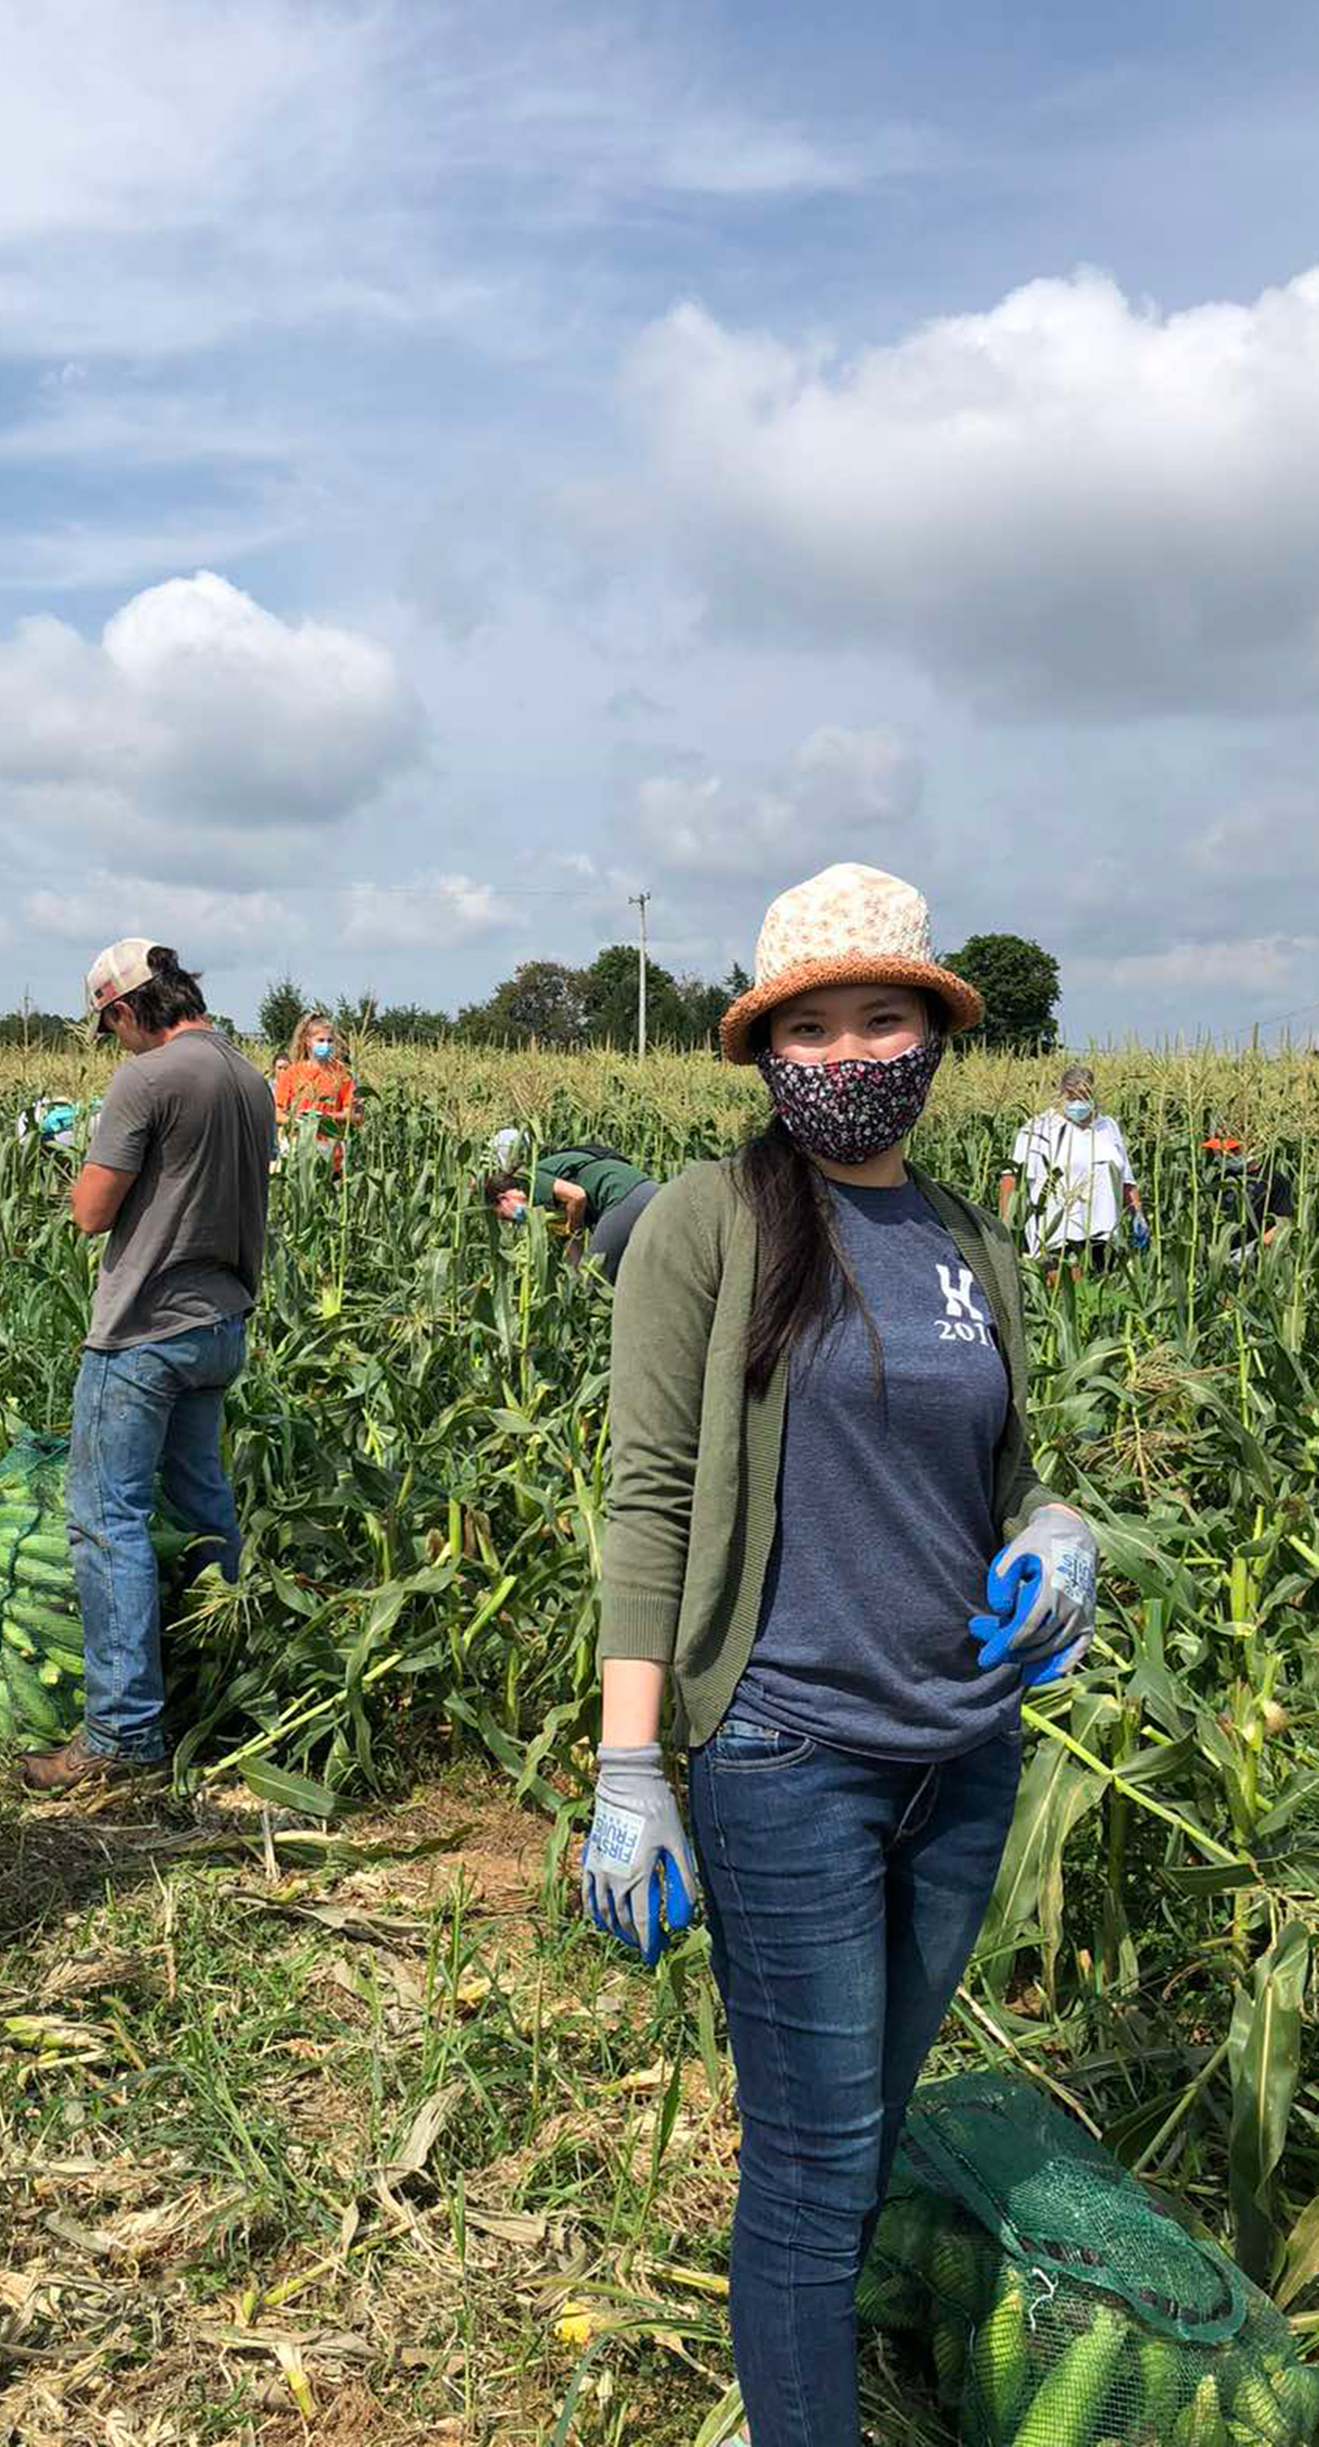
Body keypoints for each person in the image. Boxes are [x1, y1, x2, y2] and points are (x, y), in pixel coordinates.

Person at [584, 863, 1099, 2447]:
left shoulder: (963, 1239)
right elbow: (652, 1495)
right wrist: (629, 1768)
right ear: (764, 1054)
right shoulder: (705, 1224)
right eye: (810, 1028)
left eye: (881, 1018)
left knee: (863, 2128)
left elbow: (1000, 1464)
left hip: (963, 1752)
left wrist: (1056, 1525)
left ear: (932, 1040)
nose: (847, 1052)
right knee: (810, 2169)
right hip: (787, 1756)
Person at [22, 938, 274, 1797]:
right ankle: (223, 1690)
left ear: (125, 1010)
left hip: (145, 1329)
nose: (115, 1045)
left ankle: (124, 1729)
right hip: (221, 1324)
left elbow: (93, 1212)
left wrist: (73, 1179)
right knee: (204, 1504)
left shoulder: (147, 1079)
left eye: (110, 1028)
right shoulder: (247, 1075)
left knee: (107, 1519)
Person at [999, 1063, 1147, 1272]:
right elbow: (1011, 1178)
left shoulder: (1107, 1126)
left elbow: (1125, 1180)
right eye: (1072, 1097)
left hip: (1104, 1236)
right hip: (1057, 1234)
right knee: (1065, 1293)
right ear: (1061, 1094)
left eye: (1084, 1096)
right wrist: (1005, 1225)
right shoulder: (1038, 1128)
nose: (1078, 1103)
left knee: (1097, 1295)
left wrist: (1137, 1214)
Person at [482, 1140, 659, 1285]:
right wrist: (574, 1281)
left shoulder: (529, 1180)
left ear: (503, 1198)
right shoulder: (549, 1207)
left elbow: (577, 1196)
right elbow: (572, 1246)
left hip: (622, 1196)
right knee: (635, 1278)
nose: (514, 1222)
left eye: (505, 1216)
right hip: (650, 1190)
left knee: (596, 1280)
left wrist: (574, 1228)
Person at [271, 1013, 362, 1171]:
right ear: (307, 1042)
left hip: (331, 1151)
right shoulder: (293, 1073)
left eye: (329, 1041)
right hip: (299, 1148)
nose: (325, 1045)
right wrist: (297, 1121)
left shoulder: (342, 1075)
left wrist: (325, 1118)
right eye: (320, 1040)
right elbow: (276, 1113)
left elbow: (354, 1115)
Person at [1203, 1130, 1296, 1257]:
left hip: (1258, 1257)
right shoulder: (1219, 1180)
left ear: (1251, 1145)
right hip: (1221, 1255)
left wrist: (1255, 1249)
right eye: (1219, 1150)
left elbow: (1284, 1222)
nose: (1225, 1155)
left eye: (1233, 1150)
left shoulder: (1273, 1179)